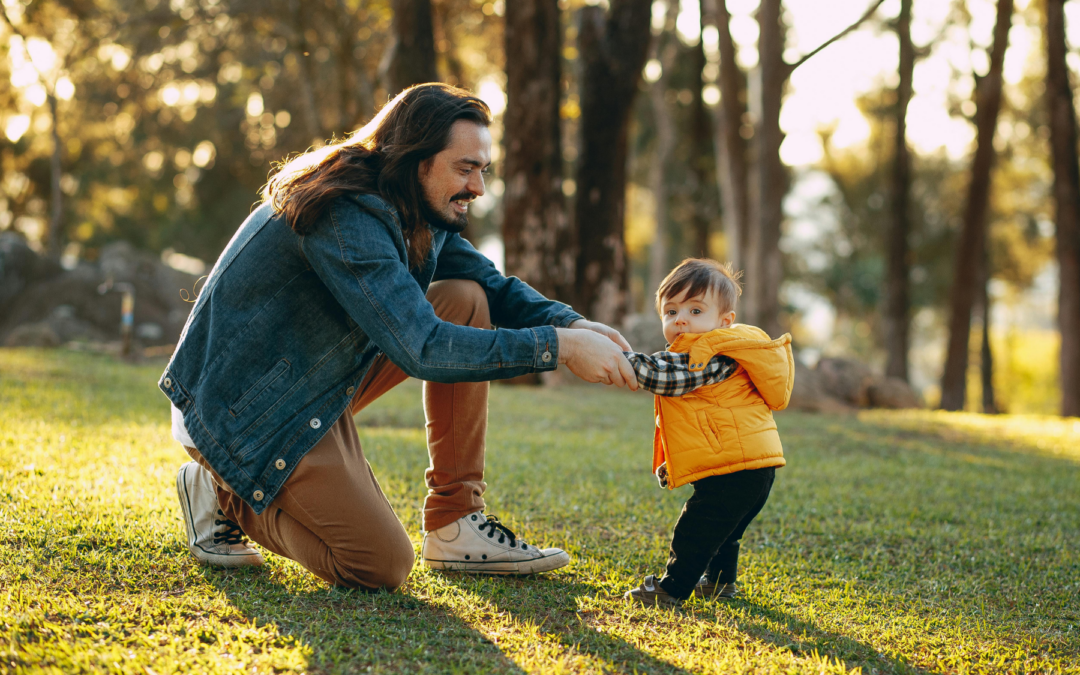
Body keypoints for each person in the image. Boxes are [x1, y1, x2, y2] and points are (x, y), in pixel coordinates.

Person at [163, 83, 639, 591]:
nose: (478, 188)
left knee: (466, 296)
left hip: (308, 379)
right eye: (465, 168)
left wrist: (571, 323)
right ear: (416, 160)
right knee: (379, 564)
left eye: (483, 170)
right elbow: (424, 347)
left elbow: (492, 285)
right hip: (243, 409)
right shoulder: (345, 213)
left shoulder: (414, 206)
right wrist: (558, 348)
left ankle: (455, 523)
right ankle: (220, 489)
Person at [618, 258, 793, 607]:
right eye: (670, 311)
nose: (680, 319)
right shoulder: (711, 349)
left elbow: (664, 377)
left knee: (695, 529)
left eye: (695, 310)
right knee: (723, 533)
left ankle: (671, 589)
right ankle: (719, 583)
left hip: (736, 468)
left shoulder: (713, 354)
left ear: (723, 321)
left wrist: (619, 360)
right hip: (751, 467)